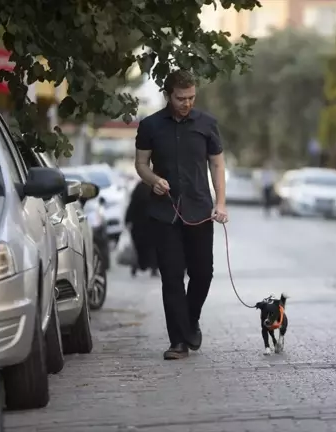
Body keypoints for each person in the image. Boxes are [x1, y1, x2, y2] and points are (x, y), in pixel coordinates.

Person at [134, 69, 228, 360]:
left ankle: (190, 320)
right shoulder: (150, 126)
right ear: (168, 95)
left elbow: (217, 166)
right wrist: (153, 180)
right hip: (164, 212)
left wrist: (221, 202)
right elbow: (141, 164)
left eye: (191, 98)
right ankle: (178, 341)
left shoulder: (207, 124)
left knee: (203, 273)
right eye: (180, 98)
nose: (186, 103)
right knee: (172, 277)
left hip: (200, 210)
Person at [124, 180, 158, 278]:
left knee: (139, 247)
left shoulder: (140, 187)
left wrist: (128, 219)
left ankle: (137, 266)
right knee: (153, 247)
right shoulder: (156, 186)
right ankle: (153, 268)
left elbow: (132, 204)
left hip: (139, 224)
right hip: (151, 223)